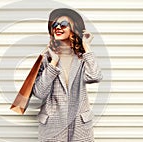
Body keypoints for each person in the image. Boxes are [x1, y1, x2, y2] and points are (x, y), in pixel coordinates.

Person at [32, 8, 103, 142]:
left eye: (63, 24)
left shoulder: (82, 57)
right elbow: (39, 92)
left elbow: (94, 76)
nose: (57, 27)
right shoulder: (45, 58)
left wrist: (86, 47)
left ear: (74, 28)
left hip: (80, 126)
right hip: (53, 126)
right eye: (54, 25)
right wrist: (53, 63)